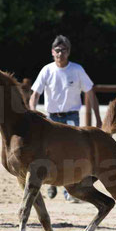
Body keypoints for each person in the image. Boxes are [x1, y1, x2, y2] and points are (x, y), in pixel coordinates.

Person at [29, 35, 102, 202]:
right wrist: (32, 112)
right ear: (52, 52)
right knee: (47, 152)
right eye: (58, 50)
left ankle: (69, 191)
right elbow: (35, 95)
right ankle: (51, 184)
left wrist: (98, 118)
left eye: (64, 50)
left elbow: (90, 93)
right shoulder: (47, 70)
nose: (60, 53)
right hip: (51, 118)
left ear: (69, 52)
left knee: (71, 155)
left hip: (71, 117)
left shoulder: (77, 70)